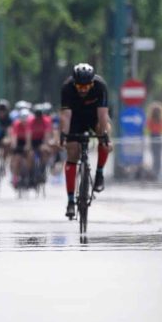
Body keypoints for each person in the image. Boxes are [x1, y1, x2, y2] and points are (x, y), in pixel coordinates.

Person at [59, 63, 111, 219]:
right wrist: (64, 135)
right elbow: (66, 116)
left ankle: (99, 173)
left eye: (86, 86)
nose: (83, 90)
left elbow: (102, 116)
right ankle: (70, 201)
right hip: (75, 118)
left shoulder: (100, 86)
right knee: (72, 151)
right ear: (74, 83)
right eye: (79, 86)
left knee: (105, 133)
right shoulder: (67, 88)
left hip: (94, 116)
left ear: (92, 83)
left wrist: (105, 136)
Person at [146, 101, 162, 179]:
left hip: (153, 135)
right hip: (159, 136)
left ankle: (156, 170)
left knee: (155, 154)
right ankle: (158, 171)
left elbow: (148, 127)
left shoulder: (151, 120)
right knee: (158, 155)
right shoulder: (161, 120)